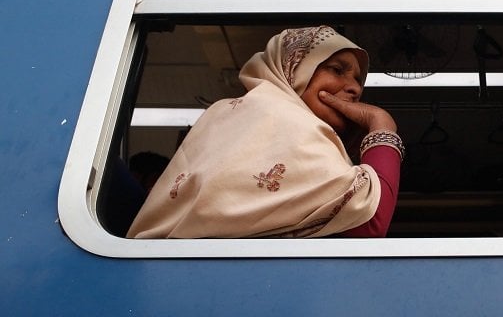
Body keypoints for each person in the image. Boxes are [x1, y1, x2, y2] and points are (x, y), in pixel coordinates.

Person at [128, 26, 402, 239]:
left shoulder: (228, 111)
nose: (354, 88)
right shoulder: (286, 119)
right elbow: (369, 221)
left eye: (357, 79)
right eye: (337, 69)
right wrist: (382, 124)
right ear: (293, 68)